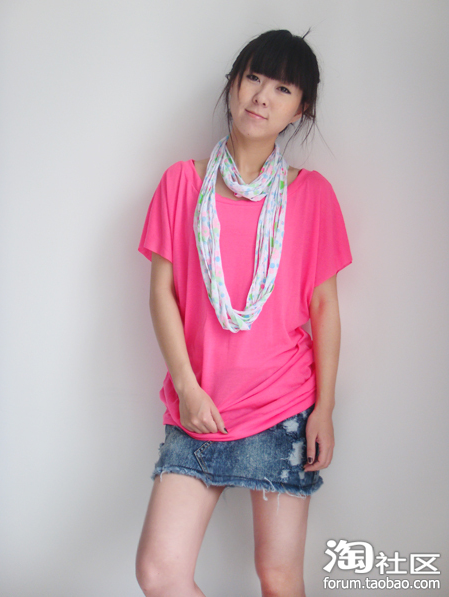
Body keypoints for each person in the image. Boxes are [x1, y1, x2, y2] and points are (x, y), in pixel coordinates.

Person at [135, 29, 352, 597]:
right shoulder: (182, 183)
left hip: (283, 407)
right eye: (253, 77)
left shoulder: (311, 195)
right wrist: (187, 387)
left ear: (300, 109)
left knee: (278, 577)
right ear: (233, 85)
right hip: (198, 406)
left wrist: (324, 409)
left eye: (282, 88)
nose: (262, 96)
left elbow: (324, 307)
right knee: (160, 573)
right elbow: (163, 293)